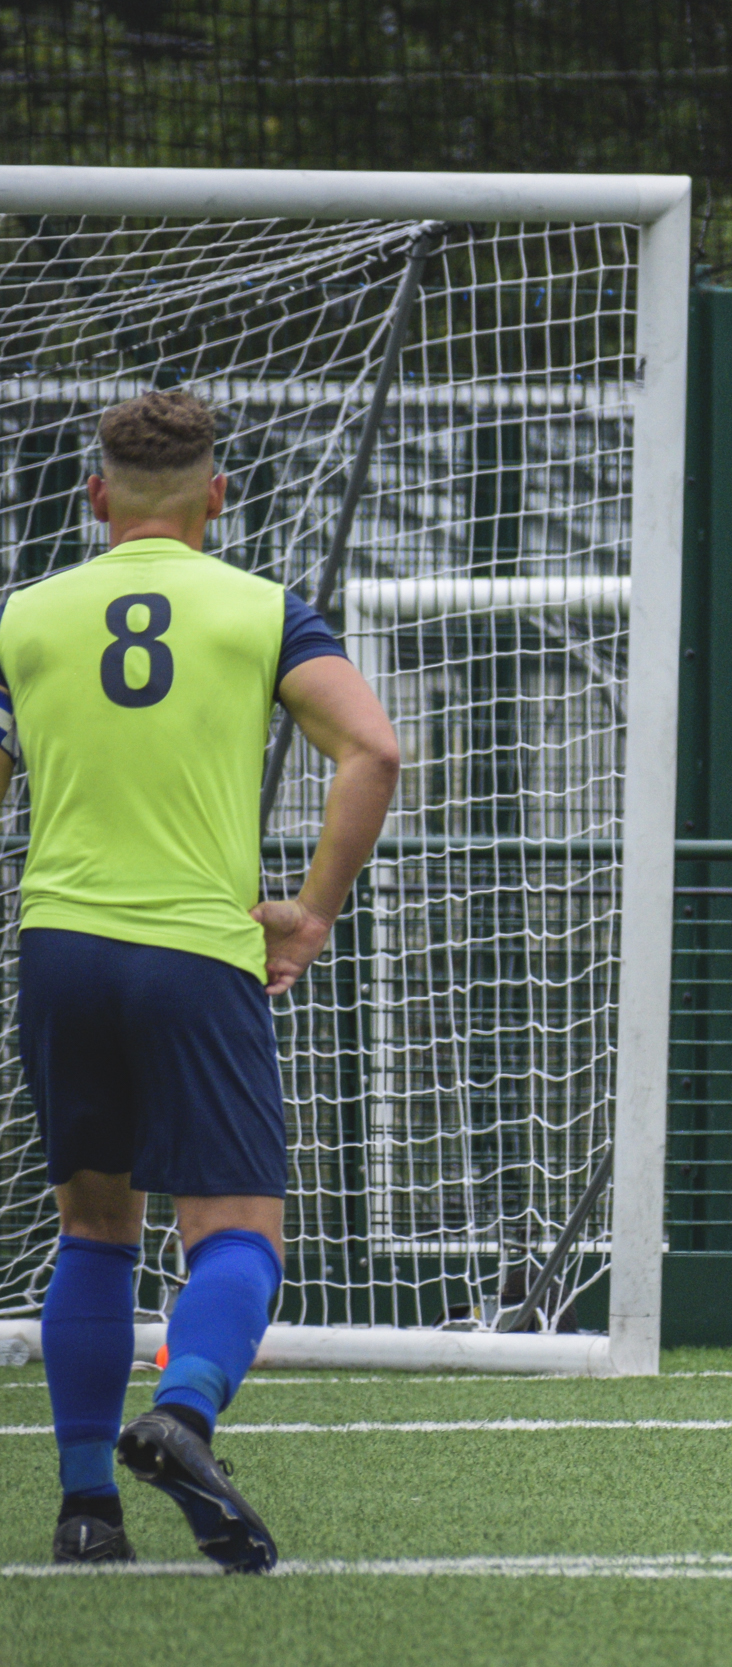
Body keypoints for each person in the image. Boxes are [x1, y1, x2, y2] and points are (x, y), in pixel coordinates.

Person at [8, 391, 400, 1569]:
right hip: (196, 947)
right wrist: (314, 909)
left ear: (95, 498)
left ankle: (87, 1510)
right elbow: (373, 750)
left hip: (61, 944)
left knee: (92, 1227)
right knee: (235, 1230)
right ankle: (181, 1414)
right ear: (217, 497)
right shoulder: (264, 609)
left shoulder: (23, 614)